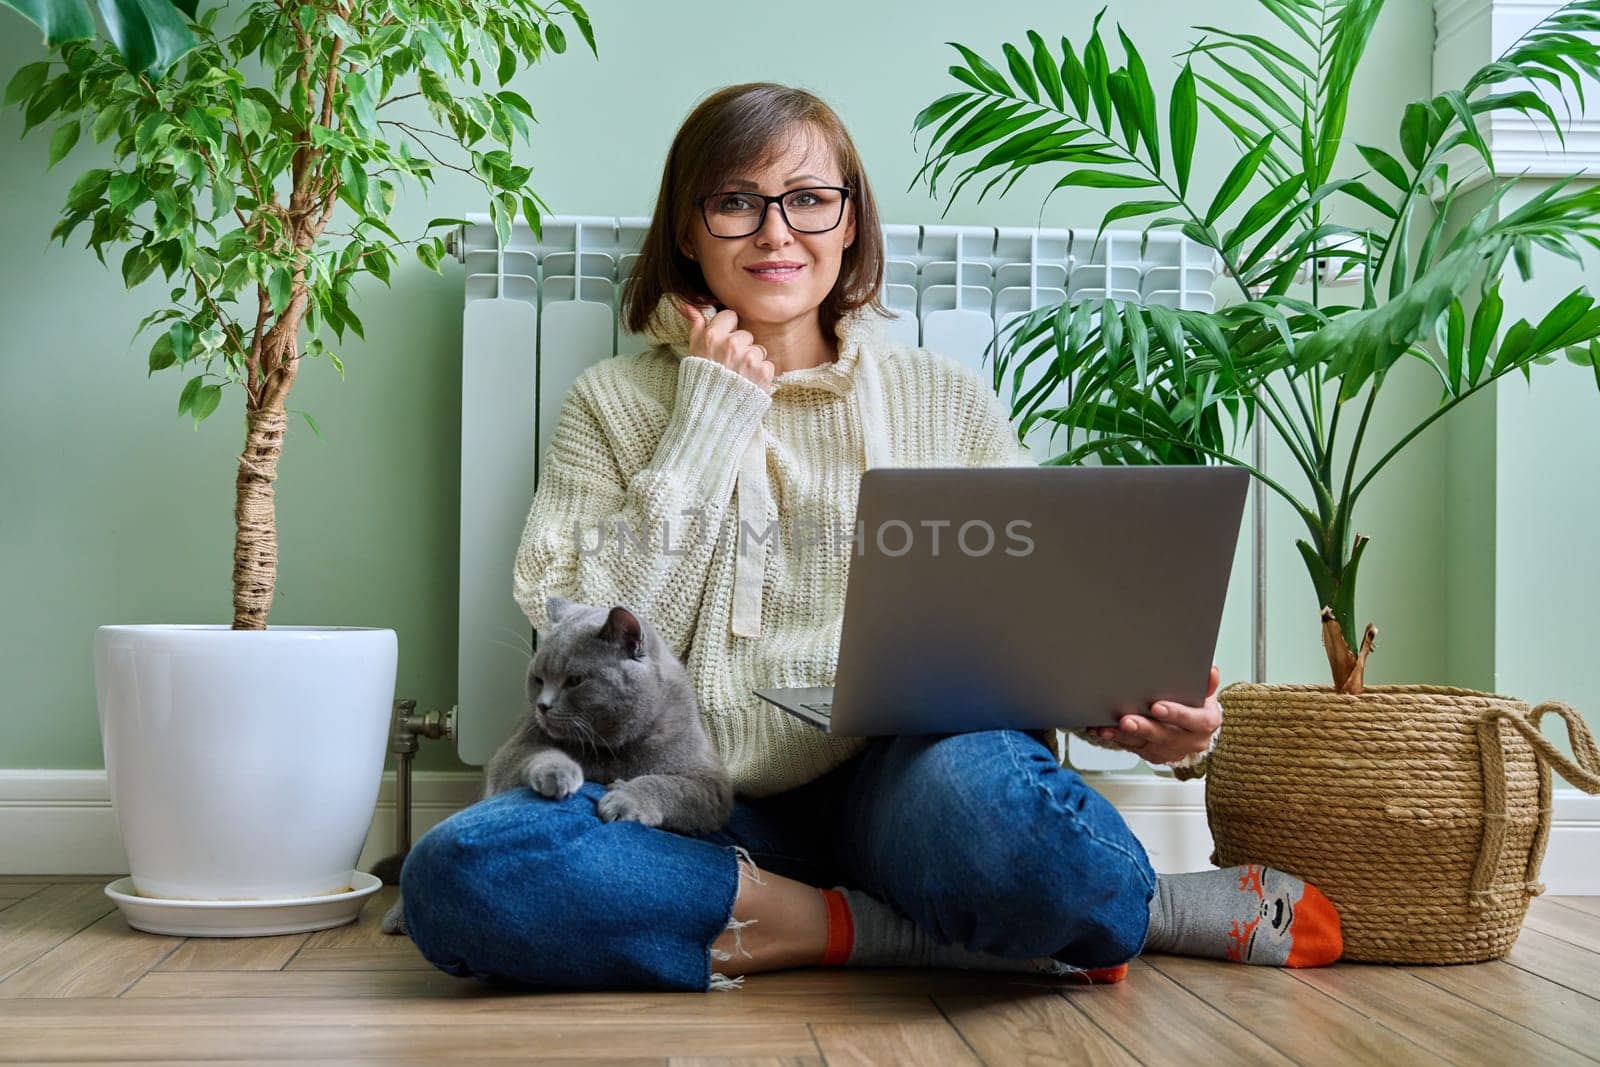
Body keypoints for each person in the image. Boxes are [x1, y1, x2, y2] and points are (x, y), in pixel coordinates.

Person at [398, 82, 1342, 993]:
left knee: (1024, 844)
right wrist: (705, 422)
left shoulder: (942, 397)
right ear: (688, 229)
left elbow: (1051, 603)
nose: (777, 231)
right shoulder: (611, 405)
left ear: (850, 221)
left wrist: (1147, 711)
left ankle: (807, 919)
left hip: (910, 782)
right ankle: (870, 928)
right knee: (462, 876)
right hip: (672, 797)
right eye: (737, 202)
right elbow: (597, 631)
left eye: (809, 199)